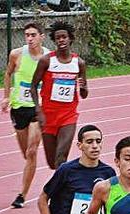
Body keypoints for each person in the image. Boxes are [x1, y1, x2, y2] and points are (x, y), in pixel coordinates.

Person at [3, 23, 50, 209]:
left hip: (38, 109)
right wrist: (6, 97)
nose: (29, 38)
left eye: (33, 35)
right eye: (27, 35)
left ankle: (22, 194)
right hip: (19, 107)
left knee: (32, 151)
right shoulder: (16, 54)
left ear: (41, 37)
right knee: (26, 154)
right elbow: (7, 74)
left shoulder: (48, 57)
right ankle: (30, 170)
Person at [31, 21, 88, 170]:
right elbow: (33, 86)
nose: (61, 40)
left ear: (70, 39)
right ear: (54, 41)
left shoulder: (79, 63)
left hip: (68, 115)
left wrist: (83, 87)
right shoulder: (46, 61)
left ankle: (60, 192)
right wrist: (38, 110)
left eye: (64, 37)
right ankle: (59, 183)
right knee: (52, 163)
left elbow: (84, 94)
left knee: (61, 156)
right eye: (58, 38)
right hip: (48, 115)